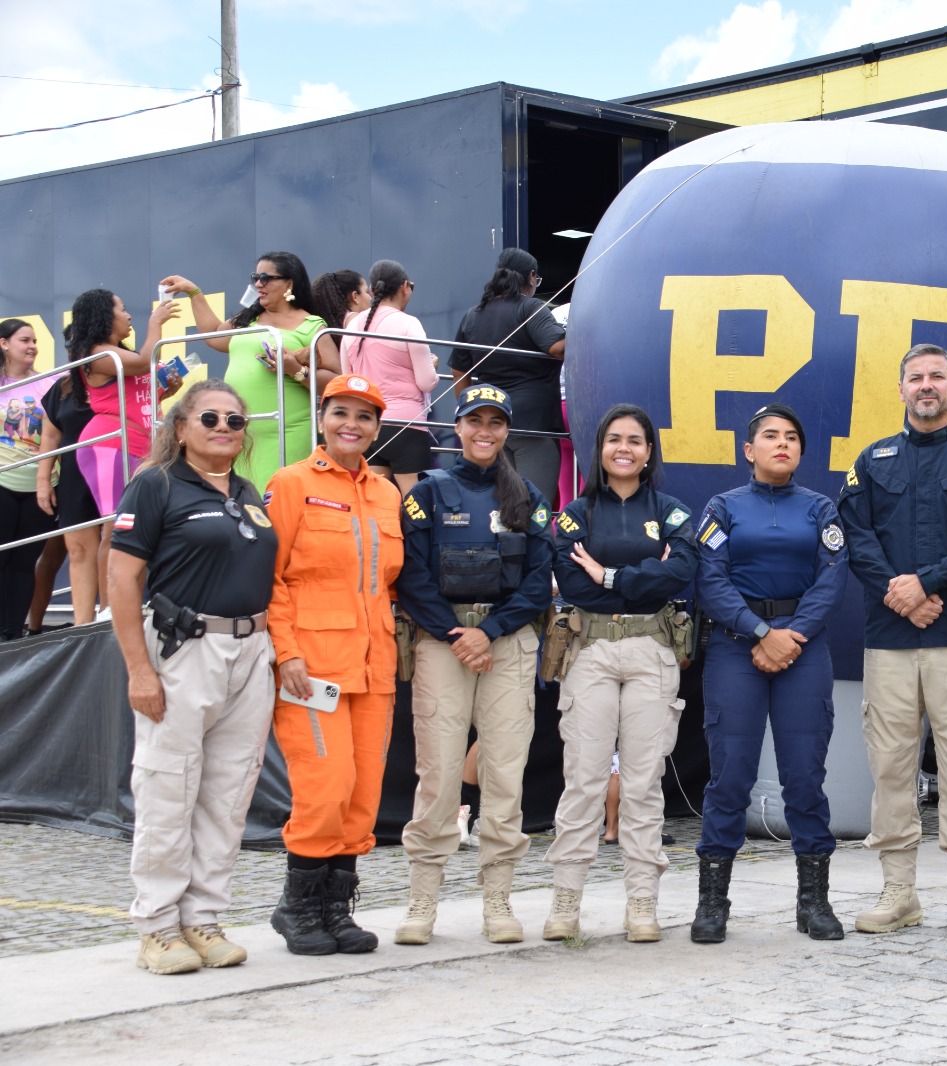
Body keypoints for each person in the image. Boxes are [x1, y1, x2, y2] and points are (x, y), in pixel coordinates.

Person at [105, 379, 278, 974]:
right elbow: (121, 579)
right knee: (168, 786)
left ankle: (203, 918)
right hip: (184, 650)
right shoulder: (154, 485)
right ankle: (157, 926)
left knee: (229, 793)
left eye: (235, 420)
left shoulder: (249, 492)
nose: (224, 427)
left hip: (250, 652)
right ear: (180, 428)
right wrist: (139, 670)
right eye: (209, 418)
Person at [836, 342, 947, 938]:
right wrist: (900, 593)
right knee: (890, 767)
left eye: (936, 376)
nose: (926, 385)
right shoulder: (871, 460)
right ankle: (899, 892)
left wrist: (926, 584)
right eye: (915, 377)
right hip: (889, 640)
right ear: (900, 388)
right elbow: (855, 537)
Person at [394, 383, 554, 946]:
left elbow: (538, 579)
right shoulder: (428, 493)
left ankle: (498, 898)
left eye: (495, 423)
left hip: (506, 640)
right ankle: (422, 900)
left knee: (504, 772)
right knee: (438, 773)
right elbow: (411, 575)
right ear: (457, 427)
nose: (484, 432)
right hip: (443, 641)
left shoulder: (526, 495)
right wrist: (456, 634)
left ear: (507, 431)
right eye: (474, 421)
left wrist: (488, 632)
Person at [689, 403, 850, 945]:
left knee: (804, 776)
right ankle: (713, 903)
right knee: (730, 775)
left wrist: (790, 635)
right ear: (748, 449)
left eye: (792, 437)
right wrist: (761, 632)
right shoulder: (723, 507)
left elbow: (832, 579)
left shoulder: (821, 509)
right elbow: (710, 579)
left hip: (803, 648)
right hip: (737, 647)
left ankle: (814, 902)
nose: (782, 444)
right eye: (770, 436)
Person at [543, 403, 697, 944]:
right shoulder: (575, 514)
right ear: (600, 449)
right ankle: (566, 901)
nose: (624, 448)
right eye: (614, 439)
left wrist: (608, 575)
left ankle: (642, 903)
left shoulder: (673, 511)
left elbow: (682, 572)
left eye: (635, 440)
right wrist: (645, 573)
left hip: (652, 650)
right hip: (590, 651)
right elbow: (571, 583)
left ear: (649, 451)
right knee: (584, 779)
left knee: (642, 782)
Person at [263, 374, 404, 956]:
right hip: (312, 668)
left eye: (365, 416)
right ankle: (297, 908)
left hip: (374, 666)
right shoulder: (291, 483)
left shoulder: (386, 493)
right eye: (341, 412)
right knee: (325, 786)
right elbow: (269, 578)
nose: (352, 424)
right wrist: (287, 653)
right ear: (322, 419)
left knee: (362, 793)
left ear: (377, 428)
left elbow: (388, 583)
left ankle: (335, 910)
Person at [162, 252, 340, 492]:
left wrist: (295, 369)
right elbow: (214, 336)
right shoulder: (248, 318)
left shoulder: (312, 325)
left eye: (266, 278)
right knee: (240, 499)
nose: (258, 284)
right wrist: (194, 292)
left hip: (286, 430)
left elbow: (335, 382)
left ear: (289, 283)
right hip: (239, 430)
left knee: (281, 497)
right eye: (255, 278)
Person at [65, 289, 179, 611]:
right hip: (110, 445)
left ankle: (129, 604)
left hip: (141, 446)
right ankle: (109, 610)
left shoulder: (118, 354)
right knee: (116, 528)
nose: (129, 316)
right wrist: (155, 323)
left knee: (137, 528)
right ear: (104, 316)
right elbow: (144, 362)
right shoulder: (97, 353)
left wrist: (166, 390)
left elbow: (136, 398)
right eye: (123, 309)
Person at [450, 249, 566, 504]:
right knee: (534, 505)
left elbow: (458, 370)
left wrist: (470, 409)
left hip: (493, 420)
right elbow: (557, 347)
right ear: (531, 277)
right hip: (533, 425)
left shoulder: (473, 314)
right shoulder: (530, 307)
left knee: (503, 504)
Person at [340, 260, 439, 494]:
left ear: (372, 291)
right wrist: (432, 366)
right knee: (416, 501)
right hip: (407, 424)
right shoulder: (409, 323)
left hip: (368, 423)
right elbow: (427, 382)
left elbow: (348, 380)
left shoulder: (351, 326)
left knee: (373, 499)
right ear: (404, 286)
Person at [0, 320, 56, 639]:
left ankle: (12, 633)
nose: (33, 346)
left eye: (35, 340)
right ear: (4, 343)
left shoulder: (51, 382)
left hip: (42, 486)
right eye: (24, 340)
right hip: (2, 482)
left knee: (24, 562)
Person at [36, 365, 101, 624]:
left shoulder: (126, 378)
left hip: (118, 472)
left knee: (116, 547)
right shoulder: (63, 387)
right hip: (74, 477)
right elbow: (51, 436)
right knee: (79, 551)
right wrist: (43, 479)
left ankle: (110, 620)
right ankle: (82, 628)